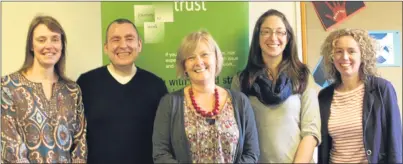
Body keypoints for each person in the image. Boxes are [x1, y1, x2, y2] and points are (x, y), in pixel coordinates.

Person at [152, 30, 260, 163]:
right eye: (191, 57)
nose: (198, 62)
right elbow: (161, 153)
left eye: (204, 54)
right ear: (184, 66)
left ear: (216, 58)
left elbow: (251, 153)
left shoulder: (240, 102)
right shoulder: (169, 103)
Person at [231, 9, 321, 163]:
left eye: (280, 32)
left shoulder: (303, 77)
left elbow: (311, 132)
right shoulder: (241, 80)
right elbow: (237, 133)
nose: (273, 37)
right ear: (257, 38)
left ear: (288, 38)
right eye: (266, 32)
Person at [76, 18, 168, 164]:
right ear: (106, 47)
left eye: (129, 39)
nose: (123, 45)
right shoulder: (86, 83)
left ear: (139, 45)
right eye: (115, 39)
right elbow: (75, 137)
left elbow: (165, 141)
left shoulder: (156, 86)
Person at [1, 15, 87, 163]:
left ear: (61, 45)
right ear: (31, 46)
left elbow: (80, 142)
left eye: (55, 39)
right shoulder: (8, 86)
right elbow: (10, 145)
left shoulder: (72, 90)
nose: (49, 45)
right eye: (41, 40)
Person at [318, 28, 402, 163]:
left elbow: (395, 143)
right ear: (331, 57)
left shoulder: (382, 89)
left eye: (351, 51)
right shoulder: (324, 96)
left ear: (363, 55)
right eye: (339, 51)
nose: (344, 57)